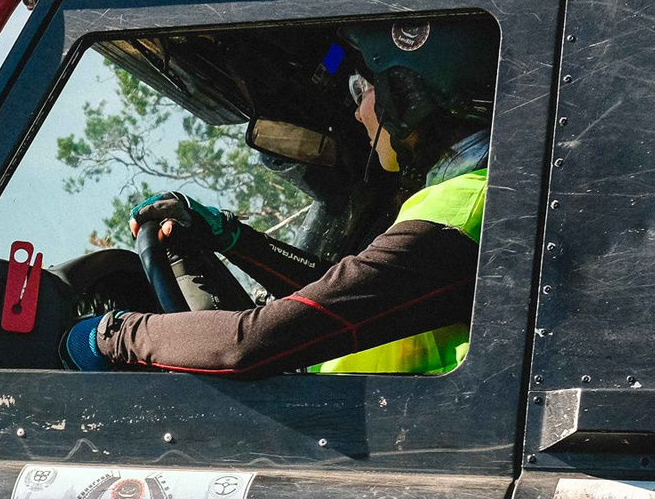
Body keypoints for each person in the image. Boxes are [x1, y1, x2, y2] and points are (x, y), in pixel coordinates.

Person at [63, 20, 493, 378]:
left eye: (361, 89)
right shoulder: (463, 203)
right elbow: (332, 298)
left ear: (406, 91)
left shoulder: (461, 211)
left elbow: (248, 344)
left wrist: (112, 336)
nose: (357, 111)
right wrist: (233, 238)